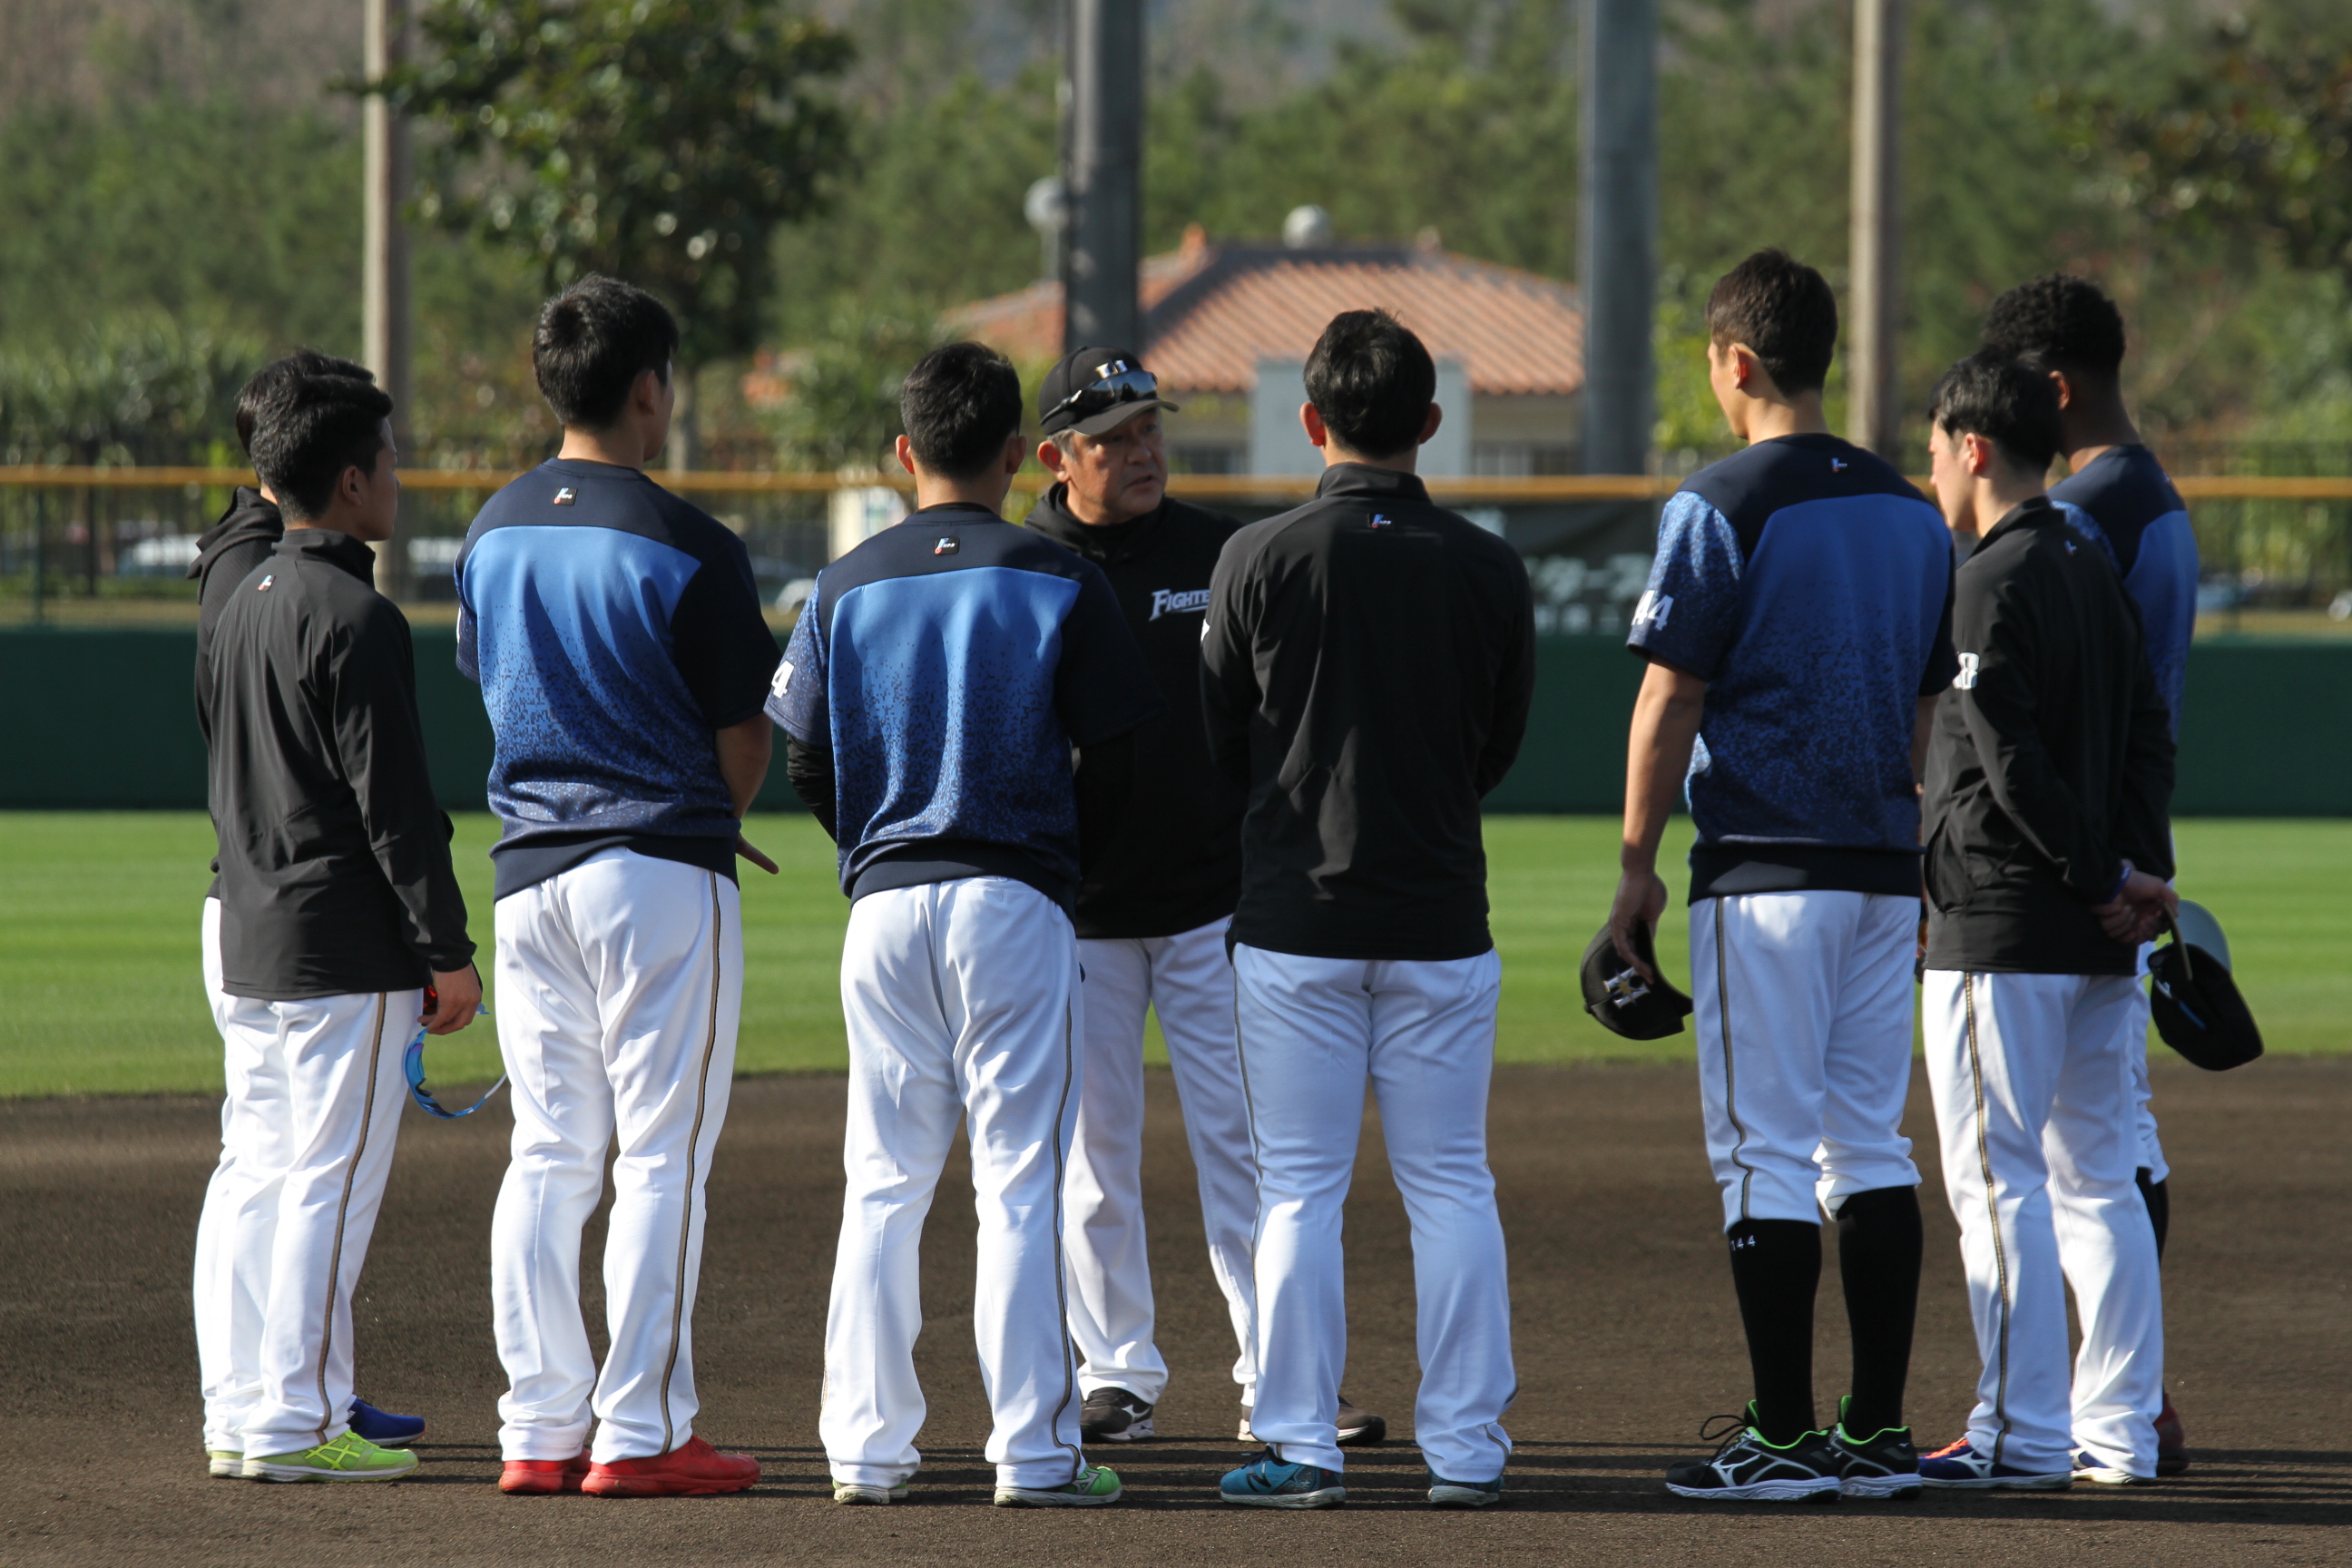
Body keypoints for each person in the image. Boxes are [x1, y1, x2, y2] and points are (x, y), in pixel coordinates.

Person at [772, 341, 1158, 1508]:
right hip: (1013, 898)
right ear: (1013, 453)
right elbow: (1121, 752)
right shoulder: (1058, 576)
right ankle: (1034, 1453)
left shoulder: (843, 582)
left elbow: (804, 757)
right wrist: (1056, 854)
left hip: (884, 903)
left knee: (883, 1182)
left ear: (904, 454)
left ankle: (865, 1450)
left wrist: (872, 844)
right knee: (1016, 1183)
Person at [1612, 249, 1955, 1504]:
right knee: (1868, 1141)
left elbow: (1670, 692)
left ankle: (1779, 1433)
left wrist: (1635, 871)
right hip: (1878, 866)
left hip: (1762, 869)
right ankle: (1873, 1432)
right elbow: (1927, 702)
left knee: (1762, 1151)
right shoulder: (1914, 508)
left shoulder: (1721, 500)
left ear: (1737, 362)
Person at [1020, 345, 1385, 1451]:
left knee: (1248, 1148)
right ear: (1056, 456)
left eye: (1151, 430)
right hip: (1076, 910)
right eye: (1116, 438)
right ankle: (1118, 1369)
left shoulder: (1219, 548)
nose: (1144, 452)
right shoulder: (1027, 562)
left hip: (1212, 903)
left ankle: (1283, 1379)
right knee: (1093, 1159)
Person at [1200, 309, 1534, 1510]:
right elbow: (1497, 742)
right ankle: (1467, 1450)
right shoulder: (1490, 566)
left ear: (1311, 419)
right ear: (1430, 426)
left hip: (1297, 918)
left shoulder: (1257, 557)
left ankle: (1299, 1443)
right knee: (1451, 1181)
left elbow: (1222, 737)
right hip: (1440, 909)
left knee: (1296, 1186)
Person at [455, 276, 779, 1498]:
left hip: (530, 875)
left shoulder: (491, 526)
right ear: (649, 389)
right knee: (661, 1160)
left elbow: (493, 681)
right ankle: (640, 1432)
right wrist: (709, 817)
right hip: (657, 873)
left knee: (549, 1156)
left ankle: (539, 1428)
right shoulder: (687, 541)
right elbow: (745, 731)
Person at [203, 363, 481, 1482]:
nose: (399, 480)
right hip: (340, 947)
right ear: (354, 479)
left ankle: (240, 1410)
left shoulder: (239, 601)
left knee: (256, 1175)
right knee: (324, 1178)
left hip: (252, 931)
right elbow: (398, 811)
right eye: (393, 463)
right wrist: (447, 951)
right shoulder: (356, 613)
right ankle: (297, 1422)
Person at [1913, 352, 2177, 1491]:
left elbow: (2009, 763)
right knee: (2100, 1181)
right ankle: (2113, 1436)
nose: (1929, 469)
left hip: (2010, 925)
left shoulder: (1993, 574)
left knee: (1998, 1182)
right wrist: (2134, 875)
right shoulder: (2089, 555)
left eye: (1932, 447)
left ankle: (2022, 1432)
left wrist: (2089, 874)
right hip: (2096, 929)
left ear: (1973, 447)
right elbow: (2147, 732)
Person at [1981, 275, 2198, 1475]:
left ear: (2054, 389)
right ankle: (2134, 1400)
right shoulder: (2145, 490)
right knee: (2114, 1146)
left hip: (2078, 864)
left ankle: (2125, 1401)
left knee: (2092, 1153)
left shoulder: (2088, 512)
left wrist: (2109, 861)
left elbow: (2053, 715)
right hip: (2121, 845)